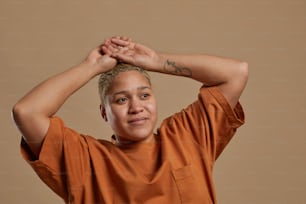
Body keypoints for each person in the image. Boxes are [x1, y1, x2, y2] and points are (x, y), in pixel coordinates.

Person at [12, 36, 248, 204]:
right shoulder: (83, 160)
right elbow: (27, 111)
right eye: (122, 100)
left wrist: (156, 61)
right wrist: (91, 67)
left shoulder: (188, 136)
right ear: (104, 112)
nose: (137, 107)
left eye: (144, 95)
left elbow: (235, 73)